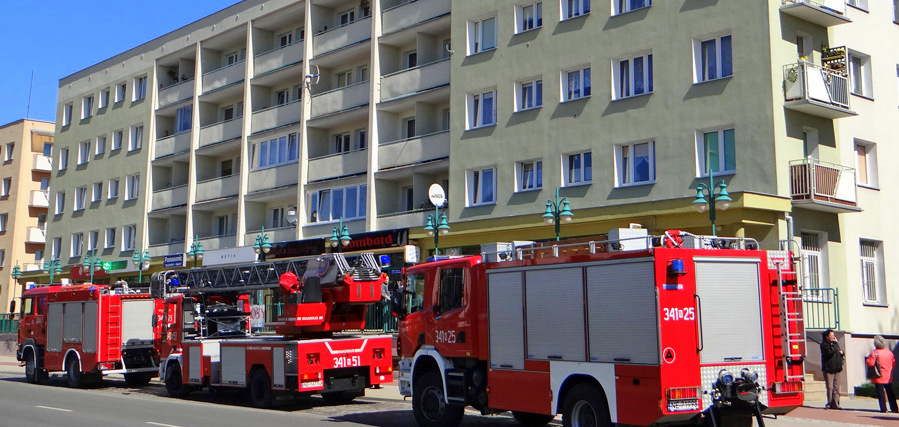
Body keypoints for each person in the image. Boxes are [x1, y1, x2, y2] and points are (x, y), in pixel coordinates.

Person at [866, 335, 898, 413]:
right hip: (888, 376)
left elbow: (870, 363)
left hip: (878, 376)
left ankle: (883, 408)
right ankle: (894, 408)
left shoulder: (874, 353)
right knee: (890, 392)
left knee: (880, 393)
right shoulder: (889, 352)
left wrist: (867, 359)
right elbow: (894, 364)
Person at [819, 329, 843, 409]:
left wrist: (842, 353)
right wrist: (835, 343)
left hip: (837, 368)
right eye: (831, 335)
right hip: (828, 369)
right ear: (827, 337)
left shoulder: (835, 344)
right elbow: (830, 352)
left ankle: (836, 403)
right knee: (830, 387)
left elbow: (839, 352)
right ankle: (829, 403)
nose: (833, 337)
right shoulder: (824, 345)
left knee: (837, 387)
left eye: (833, 335)